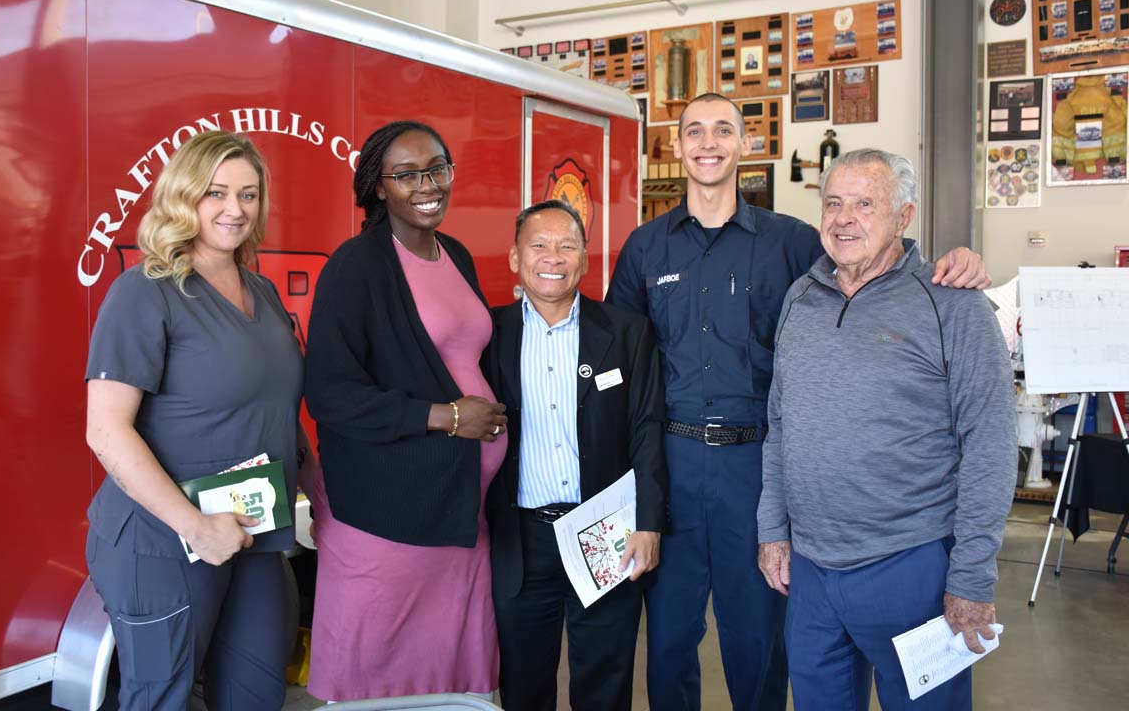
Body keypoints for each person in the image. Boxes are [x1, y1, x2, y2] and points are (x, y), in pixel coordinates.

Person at [604, 92, 992, 710]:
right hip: (670, 464)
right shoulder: (645, 248)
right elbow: (615, 358)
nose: (708, 142)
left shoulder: (790, 242)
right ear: (676, 146)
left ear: (745, 145)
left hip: (756, 467)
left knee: (757, 640)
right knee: (670, 639)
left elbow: (871, 266)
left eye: (723, 130)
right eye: (694, 131)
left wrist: (957, 259)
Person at [756, 149, 1017, 710]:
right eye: (833, 203)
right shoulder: (800, 299)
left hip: (912, 565)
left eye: (865, 204)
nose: (843, 218)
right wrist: (772, 529)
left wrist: (971, 575)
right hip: (811, 571)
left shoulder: (954, 305)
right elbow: (780, 426)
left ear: (904, 217)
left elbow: (990, 444)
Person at [84, 130, 315, 710]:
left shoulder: (260, 292)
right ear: (182, 197)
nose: (235, 209)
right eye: (215, 193)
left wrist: (326, 504)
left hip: (255, 534)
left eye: (248, 194)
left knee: (258, 694)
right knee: (163, 696)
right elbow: (107, 430)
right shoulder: (144, 292)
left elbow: (278, 411)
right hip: (162, 541)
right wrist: (194, 525)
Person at [303, 120, 508, 702]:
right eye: (407, 174)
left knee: (449, 675)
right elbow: (331, 394)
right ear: (377, 186)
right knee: (378, 673)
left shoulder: (457, 255)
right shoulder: (356, 266)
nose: (428, 185)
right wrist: (444, 417)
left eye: (438, 168)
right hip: (387, 517)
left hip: (461, 510)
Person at [485, 200, 667, 711]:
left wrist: (649, 524)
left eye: (567, 246)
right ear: (515, 259)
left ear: (585, 260)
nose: (553, 257)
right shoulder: (487, 335)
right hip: (520, 536)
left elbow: (647, 432)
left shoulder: (626, 333)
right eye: (538, 245)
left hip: (605, 530)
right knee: (523, 680)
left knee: (605, 680)